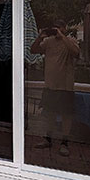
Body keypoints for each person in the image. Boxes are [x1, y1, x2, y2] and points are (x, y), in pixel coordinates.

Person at [30, 19, 80, 156]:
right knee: (49, 113)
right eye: (54, 28)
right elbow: (33, 50)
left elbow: (76, 53)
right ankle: (48, 139)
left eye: (58, 28)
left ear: (64, 28)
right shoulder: (48, 42)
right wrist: (40, 37)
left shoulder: (70, 40)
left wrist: (62, 36)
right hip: (50, 85)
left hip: (65, 86)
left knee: (66, 115)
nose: (56, 30)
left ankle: (64, 142)